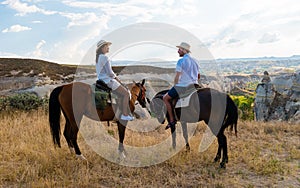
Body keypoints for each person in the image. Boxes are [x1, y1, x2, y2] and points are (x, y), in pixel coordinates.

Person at [163, 42, 200, 129]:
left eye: (179, 49)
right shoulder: (195, 61)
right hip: (194, 85)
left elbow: (177, 76)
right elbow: (198, 76)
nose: (178, 51)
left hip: (183, 86)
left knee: (165, 98)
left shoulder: (181, 61)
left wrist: (175, 85)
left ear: (184, 50)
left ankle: (172, 120)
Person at [95, 39, 134, 121]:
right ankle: (124, 114)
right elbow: (110, 73)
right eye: (106, 46)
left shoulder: (98, 58)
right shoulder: (105, 57)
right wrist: (118, 80)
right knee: (126, 93)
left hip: (100, 80)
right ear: (102, 48)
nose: (108, 48)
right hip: (108, 81)